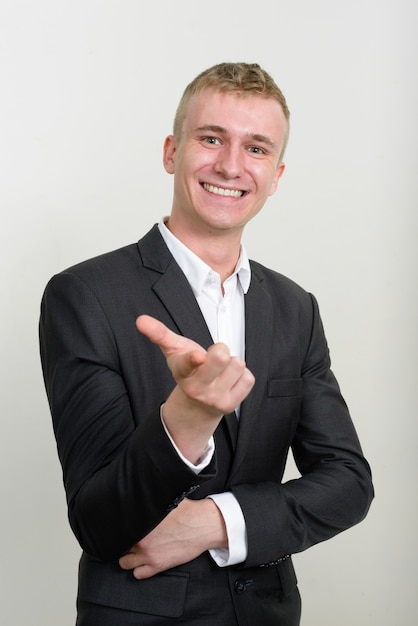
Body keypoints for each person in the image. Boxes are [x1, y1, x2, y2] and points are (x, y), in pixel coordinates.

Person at [39, 62, 374, 626]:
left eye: (257, 148)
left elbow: (347, 483)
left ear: (276, 174)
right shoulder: (84, 295)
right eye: (211, 138)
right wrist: (186, 421)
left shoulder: (296, 308)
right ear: (172, 152)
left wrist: (219, 521)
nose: (231, 165)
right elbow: (98, 523)